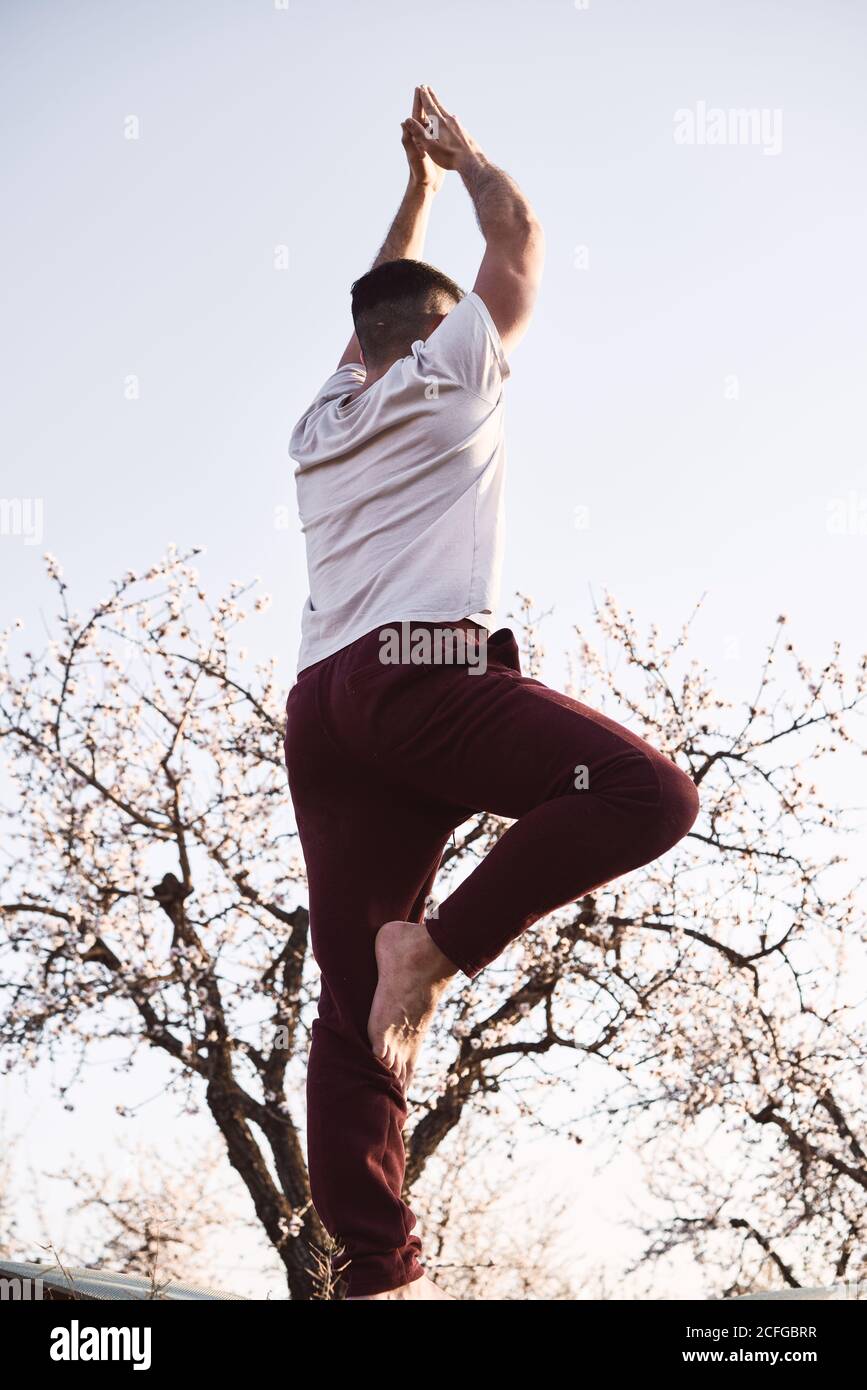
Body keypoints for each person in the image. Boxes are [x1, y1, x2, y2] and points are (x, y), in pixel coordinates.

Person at [284, 86, 699, 1301]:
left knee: (348, 1004)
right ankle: (441, 945)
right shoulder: (456, 372)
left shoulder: (321, 418)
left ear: (358, 346)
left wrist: (407, 194)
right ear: (445, 330)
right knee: (646, 793)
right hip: (420, 678)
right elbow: (514, 241)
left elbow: (376, 302)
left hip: (324, 709)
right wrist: (467, 164)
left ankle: (378, 1273)